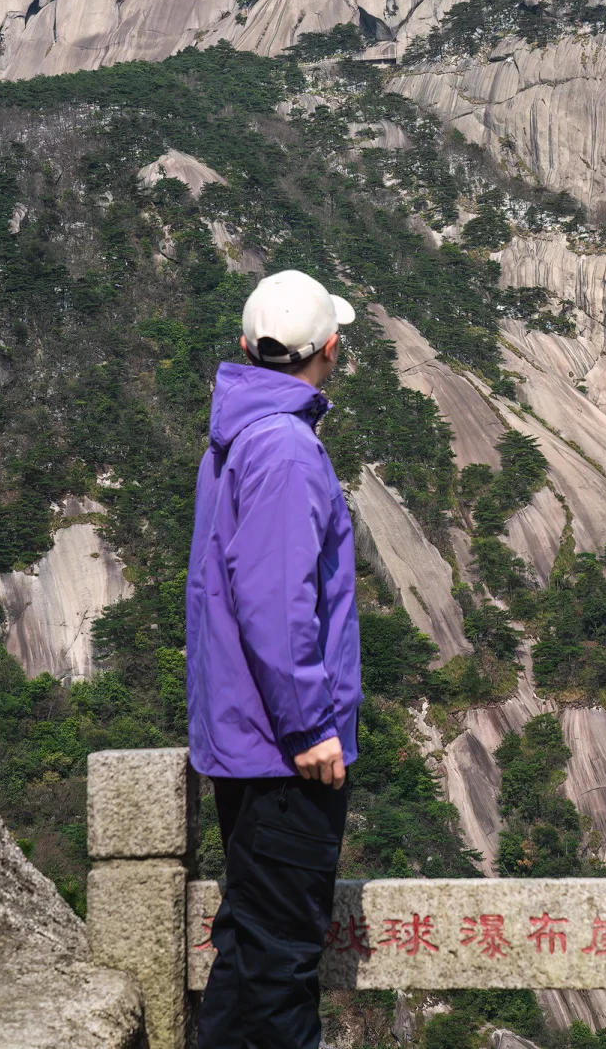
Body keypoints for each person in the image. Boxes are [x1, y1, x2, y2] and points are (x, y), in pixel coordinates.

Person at [187, 269, 363, 1049]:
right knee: (285, 964)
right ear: (328, 351)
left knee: (248, 948)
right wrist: (310, 727)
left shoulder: (233, 435)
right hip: (285, 754)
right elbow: (274, 602)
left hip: (245, 743)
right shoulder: (287, 448)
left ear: (245, 348)